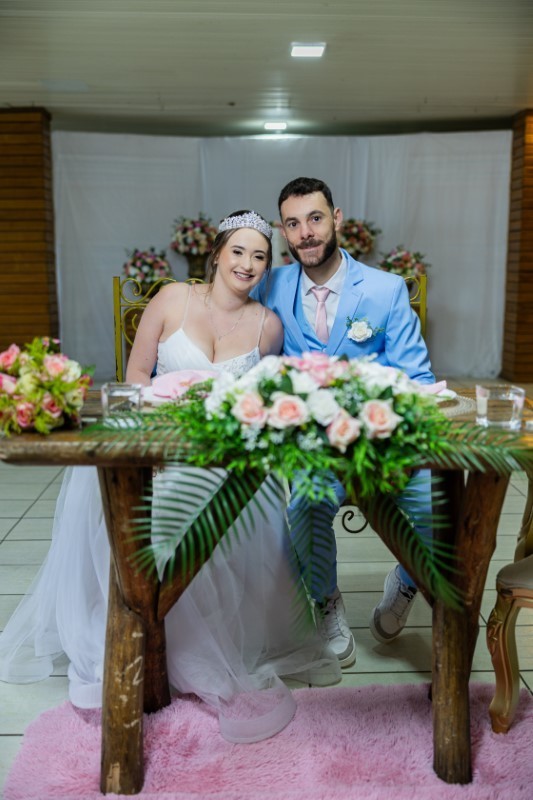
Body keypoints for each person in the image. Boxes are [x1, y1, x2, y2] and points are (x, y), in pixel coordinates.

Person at [0, 209, 340, 744]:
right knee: (114, 492)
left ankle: (194, 641)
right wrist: (151, 442)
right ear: (217, 254)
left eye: (259, 256)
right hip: (154, 440)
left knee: (228, 500)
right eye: (238, 252)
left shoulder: (268, 325)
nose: (248, 264)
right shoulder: (172, 299)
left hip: (220, 454)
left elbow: (258, 402)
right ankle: (133, 623)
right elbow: (136, 374)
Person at [253, 177, 435, 667]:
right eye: (293, 224)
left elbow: (417, 379)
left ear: (336, 218)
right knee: (305, 505)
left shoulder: (385, 289)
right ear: (283, 233)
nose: (306, 233)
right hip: (313, 446)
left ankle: (406, 581)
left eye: (315, 218)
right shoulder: (269, 286)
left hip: (383, 442)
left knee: (436, 507)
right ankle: (326, 599)